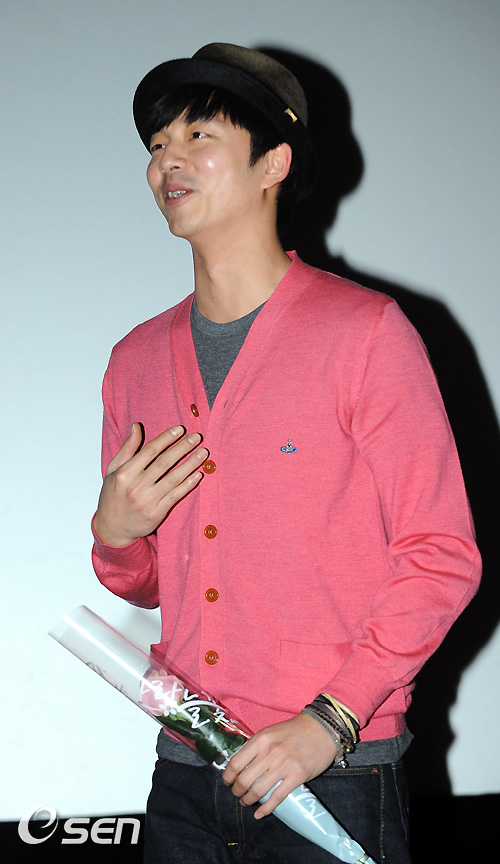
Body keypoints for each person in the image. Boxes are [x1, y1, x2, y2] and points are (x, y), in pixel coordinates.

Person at [91, 43, 481, 863]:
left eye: (199, 136)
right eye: (157, 144)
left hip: (333, 769)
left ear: (274, 163)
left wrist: (329, 721)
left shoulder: (365, 334)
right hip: (187, 768)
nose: (167, 161)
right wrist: (116, 534)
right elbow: (149, 579)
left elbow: (441, 555)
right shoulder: (133, 360)